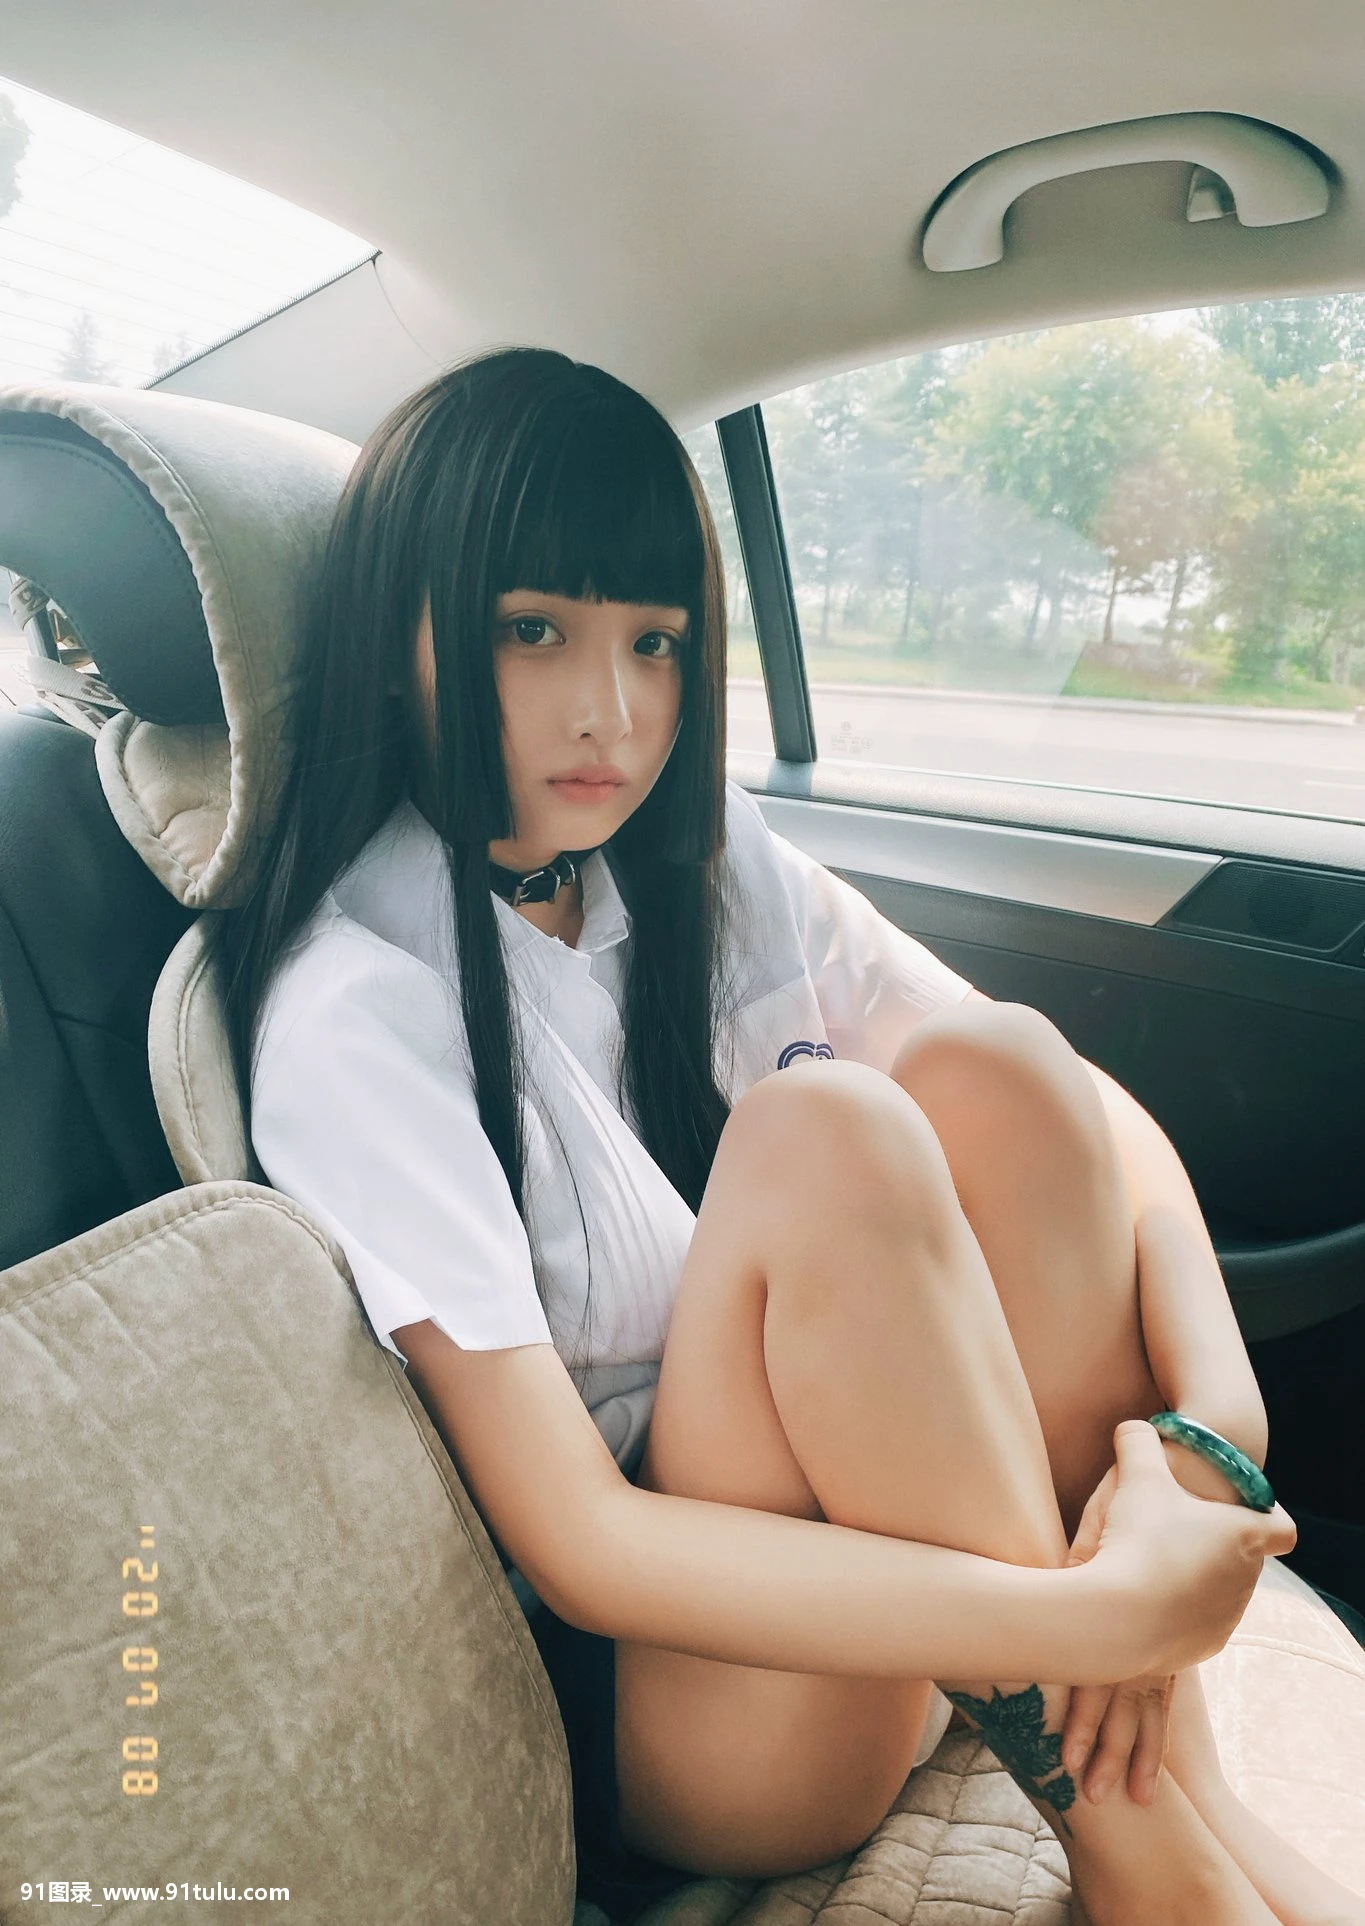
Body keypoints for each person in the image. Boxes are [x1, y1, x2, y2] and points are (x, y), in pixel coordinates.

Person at [209, 347, 1358, 1926]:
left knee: (992, 1064)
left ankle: (1179, 1795)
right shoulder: (356, 1008)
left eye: (655, 641)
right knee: (823, 1133)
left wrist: (1202, 1440)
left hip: (934, 1599)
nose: (612, 710)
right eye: (532, 630)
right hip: (710, 1704)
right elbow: (586, 1545)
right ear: (396, 633)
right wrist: (1094, 1620)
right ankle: (1150, 1849)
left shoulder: (690, 859)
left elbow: (1086, 1107)